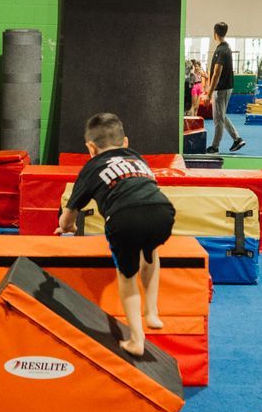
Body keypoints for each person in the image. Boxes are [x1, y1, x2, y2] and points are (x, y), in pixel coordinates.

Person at [56, 112, 176, 355]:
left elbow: (69, 214)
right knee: (150, 249)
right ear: (125, 143)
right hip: (162, 211)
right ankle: (152, 312)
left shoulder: (91, 168)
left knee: (127, 275)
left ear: (90, 148)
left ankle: (136, 339)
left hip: (124, 217)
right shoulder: (136, 157)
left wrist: (68, 227)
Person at [204, 22, 245, 153]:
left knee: (218, 118)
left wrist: (209, 93)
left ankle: (215, 146)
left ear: (215, 33)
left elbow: (217, 72)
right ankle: (237, 138)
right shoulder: (227, 48)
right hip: (226, 87)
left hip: (220, 89)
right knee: (221, 115)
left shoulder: (221, 50)